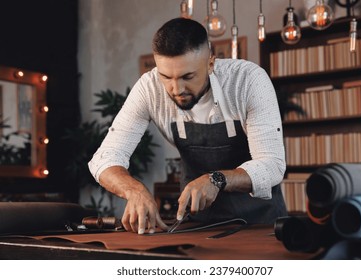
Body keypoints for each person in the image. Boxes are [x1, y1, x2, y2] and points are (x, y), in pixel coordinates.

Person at [88, 17, 287, 235]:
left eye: (188, 76)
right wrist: (134, 190)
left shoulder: (248, 81)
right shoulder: (148, 88)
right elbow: (105, 158)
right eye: (166, 76)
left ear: (210, 63)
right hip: (199, 225)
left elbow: (272, 165)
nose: (176, 88)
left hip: (260, 223)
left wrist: (216, 179)